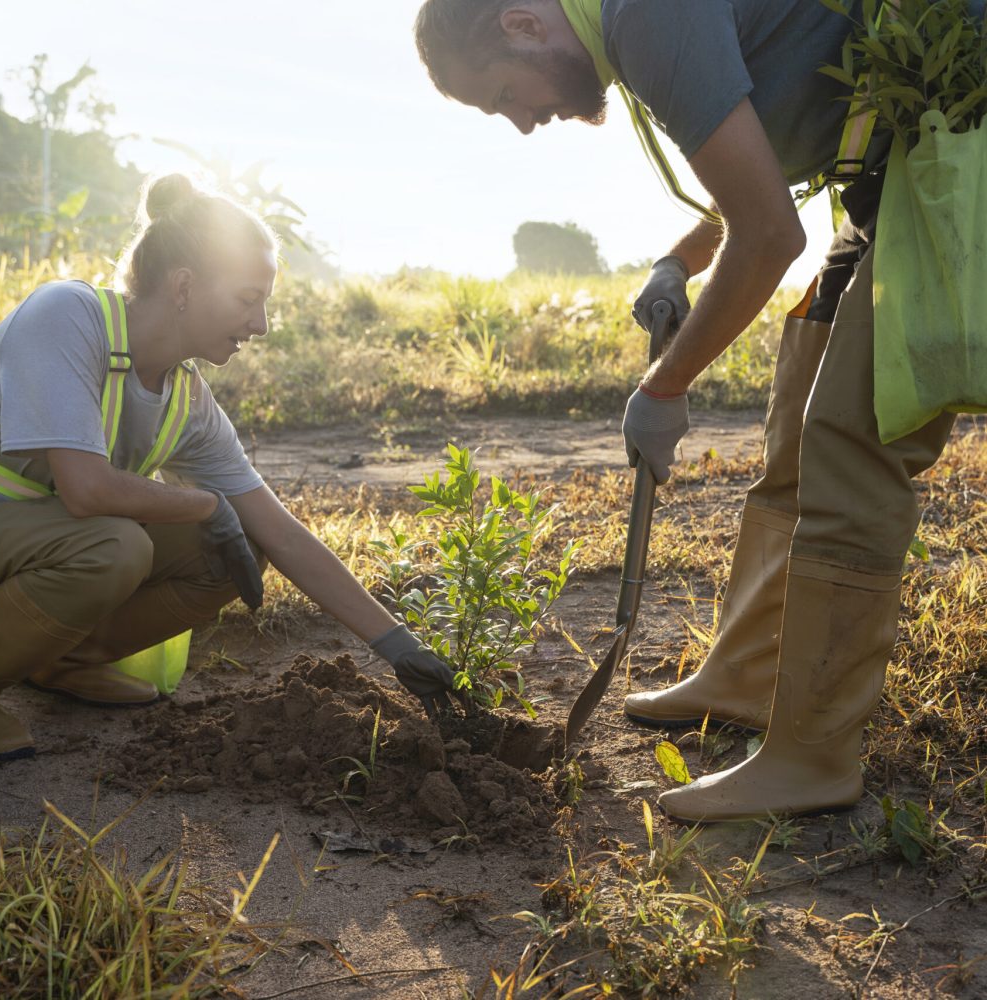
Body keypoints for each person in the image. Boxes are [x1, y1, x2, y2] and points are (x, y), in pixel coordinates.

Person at [412, 0, 984, 821]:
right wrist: (678, 259)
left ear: (521, 24)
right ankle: (748, 675)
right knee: (799, 415)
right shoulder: (631, 27)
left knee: (852, 443)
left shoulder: (644, 13)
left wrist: (663, 387)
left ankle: (813, 758)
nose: (524, 125)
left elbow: (768, 236)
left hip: (949, 157)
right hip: (882, 174)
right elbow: (753, 161)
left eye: (501, 97)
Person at [0, 174, 454, 762]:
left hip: (22, 547)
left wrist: (399, 648)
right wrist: (206, 504)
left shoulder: (186, 397)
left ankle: (61, 659)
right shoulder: (67, 316)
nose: (260, 325)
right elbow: (85, 489)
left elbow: (280, 531)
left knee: (235, 550)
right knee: (116, 544)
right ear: (183, 286)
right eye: (246, 299)